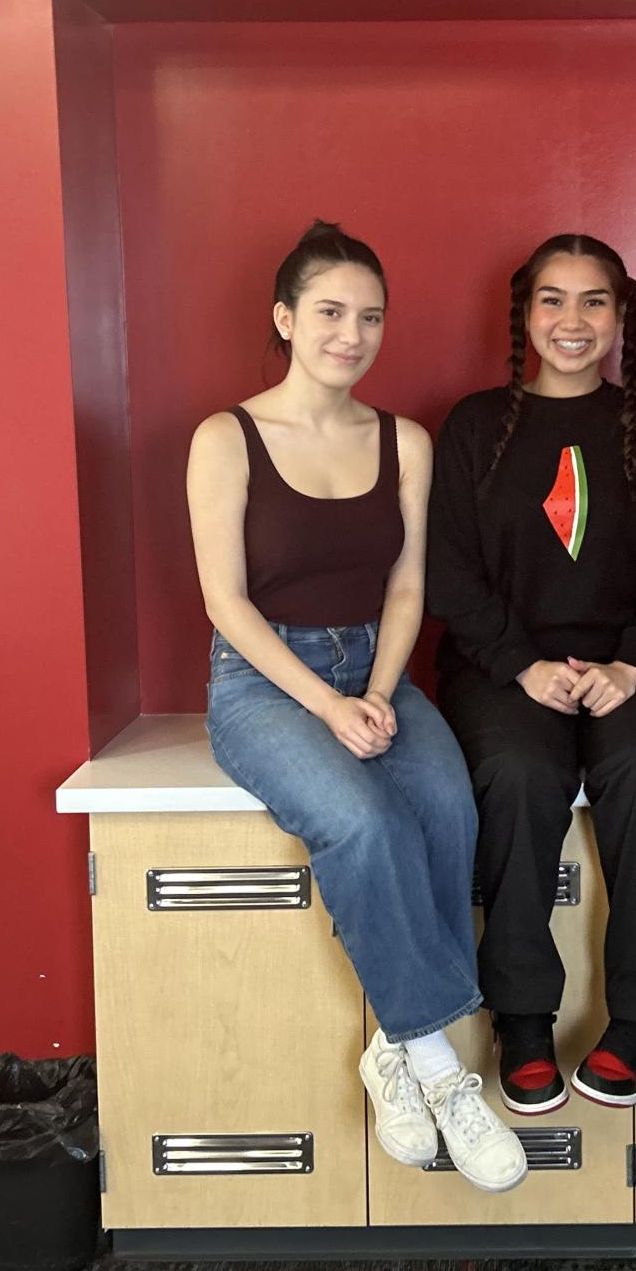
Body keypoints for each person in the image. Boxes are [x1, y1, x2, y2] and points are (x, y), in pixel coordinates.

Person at [186, 220, 526, 1193]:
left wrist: (375, 693)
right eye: (330, 311)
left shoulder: (403, 442)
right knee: (366, 821)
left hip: (375, 670)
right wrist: (329, 708)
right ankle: (439, 1064)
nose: (352, 333)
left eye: (370, 316)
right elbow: (227, 604)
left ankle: (391, 1041)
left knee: (453, 809)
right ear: (286, 317)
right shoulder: (227, 439)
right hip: (266, 686)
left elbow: (409, 588)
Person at [428, 233, 636, 1116]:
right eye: (552, 299)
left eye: (594, 301)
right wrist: (522, 663)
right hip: (503, 667)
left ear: (622, 316)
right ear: (523, 314)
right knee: (517, 774)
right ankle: (521, 1017)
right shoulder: (475, 426)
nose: (572, 320)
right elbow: (445, 568)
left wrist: (631, 661)